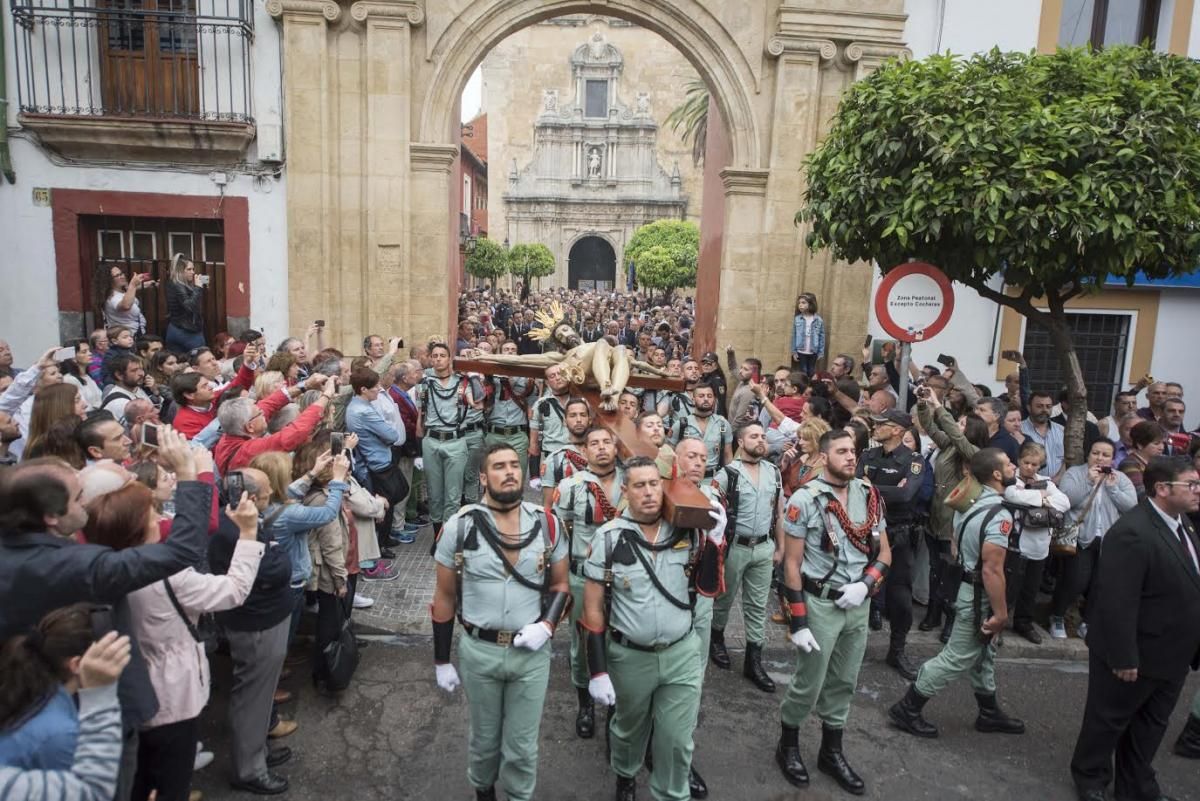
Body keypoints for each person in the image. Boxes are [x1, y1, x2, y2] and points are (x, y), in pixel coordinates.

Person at [82, 472, 264, 801]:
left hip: (131, 685)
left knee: (142, 769)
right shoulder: (168, 576)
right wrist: (249, 534)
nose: (161, 518)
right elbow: (233, 590)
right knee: (169, 774)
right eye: (153, 514)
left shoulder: (101, 567)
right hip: (172, 692)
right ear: (139, 530)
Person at [430, 444, 571, 801]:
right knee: (484, 739)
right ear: (482, 477)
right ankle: (483, 792)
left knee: (522, 747)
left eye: (514, 465)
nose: (509, 471)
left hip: (530, 655)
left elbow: (560, 587)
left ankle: (519, 796)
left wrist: (547, 627)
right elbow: (444, 597)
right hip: (480, 652)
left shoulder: (547, 524)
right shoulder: (458, 528)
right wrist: (442, 660)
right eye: (498, 466)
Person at [582, 457, 725, 801]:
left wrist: (716, 542)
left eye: (654, 484)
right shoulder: (609, 538)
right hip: (630, 657)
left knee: (677, 739)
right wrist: (598, 671)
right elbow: (592, 610)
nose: (648, 492)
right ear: (625, 491)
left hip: (681, 653)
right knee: (629, 730)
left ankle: (673, 793)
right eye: (639, 485)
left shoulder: (688, 531)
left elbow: (706, 588)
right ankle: (626, 775)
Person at [1070, 456, 1200, 801]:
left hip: (1171, 654)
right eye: (1191, 485)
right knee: (1108, 720)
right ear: (1162, 489)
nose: (1198, 491)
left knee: (1151, 725)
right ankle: (1090, 778)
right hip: (1134, 653)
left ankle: (1136, 785)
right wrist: (1124, 656)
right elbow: (1117, 601)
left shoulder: (1182, 522)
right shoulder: (1132, 532)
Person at [775, 429, 891, 795]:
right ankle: (788, 744)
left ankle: (831, 751)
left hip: (857, 601)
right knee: (810, 680)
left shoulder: (869, 495)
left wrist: (866, 584)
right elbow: (791, 565)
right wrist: (799, 621)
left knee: (845, 680)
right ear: (824, 457)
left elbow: (885, 553)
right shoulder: (805, 499)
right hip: (820, 603)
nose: (850, 457)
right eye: (841, 451)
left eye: (853, 451)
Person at [888, 448, 1025, 740]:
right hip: (978, 596)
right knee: (956, 657)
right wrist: (1001, 614)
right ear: (997, 474)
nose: (1014, 465)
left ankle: (988, 712)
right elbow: (992, 570)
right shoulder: (998, 514)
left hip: (967, 588)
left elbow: (954, 544)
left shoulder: (970, 505)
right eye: (1009, 463)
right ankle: (907, 708)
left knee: (984, 654)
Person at [206, 467, 298, 795]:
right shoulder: (233, 531)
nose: (271, 494)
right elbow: (274, 569)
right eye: (265, 492)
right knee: (254, 697)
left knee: (260, 692)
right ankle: (249, 768)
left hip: (265, 618)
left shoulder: (239, 520)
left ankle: (257, 750)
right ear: (248, 497)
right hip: (256, 624)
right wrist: (278, 557)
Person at [0, 628, 130, 801]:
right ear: (76, 664)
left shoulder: (27, 698)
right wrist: (100, 693)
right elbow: (88, 794)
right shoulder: (61, 733)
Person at [553, 425, 624, 740]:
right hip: (583, 578)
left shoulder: (633, 482)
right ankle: (585, 704)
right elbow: (557, 536)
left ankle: (616, 704)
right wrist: (560, 582)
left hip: (624, 581)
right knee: (582, 644)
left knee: (620, 644)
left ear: (616, 446)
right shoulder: (570, 486)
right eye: (593, 443)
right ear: (585, 451)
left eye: (606, 442)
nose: (601, 448)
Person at [708, 421, 783, 693]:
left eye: (763, 436)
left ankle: (754, 659)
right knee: (723, 599)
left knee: (757, 604)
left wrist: (780, 548)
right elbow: (713, 512)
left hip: (763, 547)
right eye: (754, 436)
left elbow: (780, 513)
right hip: (735, 547)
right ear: (741, 442)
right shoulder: (728, 474)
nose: (761, 440)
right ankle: (716, 640)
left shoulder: (774, 472)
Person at [857, 409, 925, 680]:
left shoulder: (913, 460)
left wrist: (870, 487)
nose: (877, 426)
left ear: (897, 430)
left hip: (899, 534)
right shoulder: (867, 455)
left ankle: (897, 650)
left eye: (883, 424)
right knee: (860, 588)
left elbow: (906, 493)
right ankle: (852, 645)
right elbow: (854, 487)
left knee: (900, 598)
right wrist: (885, 489)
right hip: (866, 531)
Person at [916, 386, 989, 642]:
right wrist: (925, 405)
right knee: (936, 569)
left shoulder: (974, 454)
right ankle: (934, 613)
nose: (957, 426)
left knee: (952, 573)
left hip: (954, 522)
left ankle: (950, 619)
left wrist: (940, 406)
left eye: (962, 423)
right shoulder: (948, 446)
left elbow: (958, 437)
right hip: (936, 515)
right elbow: (932, 428)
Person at [1049, 439, 1138, 641]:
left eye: (1105, 455)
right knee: (1076, 580)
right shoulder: (1075, 473)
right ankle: (1057, 617)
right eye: (1096, 453)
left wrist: (1113, 488)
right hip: (1080, 538)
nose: (1100, 458)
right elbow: (1066, 500)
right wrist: (1088, 482)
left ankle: (1088, 622)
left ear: (1113, 459)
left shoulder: (1120, 478)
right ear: (1088, 455)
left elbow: (1131, 507)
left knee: (1102, 583)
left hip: (1109, 539)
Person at [1001, 441, 1070, 644]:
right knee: (1009, 588)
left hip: (1040, 546)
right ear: (1019, 460)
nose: (1030, 468)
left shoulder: (1046, 482)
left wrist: (1039, 498)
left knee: (1030, 590)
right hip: (1016, 544)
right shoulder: (1012, 480)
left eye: (1035, 464)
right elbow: (1012, 495)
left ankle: (1024, 623)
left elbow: (1064, 502)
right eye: (1026, 462)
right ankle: (999, 623)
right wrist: (1043, 498)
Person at [213, 375, 335, 474]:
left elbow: (268, 404)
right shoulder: (248, 451)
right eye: (259, 414)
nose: (263, 412)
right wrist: (326, 395)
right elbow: (295, 433)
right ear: (250, 427)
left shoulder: (233, 432)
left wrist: (306, 385)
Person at [417, 342, 478, 537]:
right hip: (432, 440)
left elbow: (477, 402)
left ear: (449, 359)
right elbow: (421, 413)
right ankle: (437, 535)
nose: (438, 359)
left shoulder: (462, 383)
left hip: (455, 440)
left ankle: (448, 536)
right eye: (434, 356)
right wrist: (420, 444)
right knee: (435, 494)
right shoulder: (425, 383)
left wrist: (474, 373)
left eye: (442, 355)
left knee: (453, 494)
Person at [346, 366, 408, 550]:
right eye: (375, 386)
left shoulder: (359, 406)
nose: (379, 389)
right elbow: (391, 435)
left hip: (376, 460)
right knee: (386, 502)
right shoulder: (364, 411)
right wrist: (389, 430)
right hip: (378, 463)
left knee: (393, 496)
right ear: (363, 389)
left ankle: (383, 540)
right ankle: (380, 545)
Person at [484, 344, 534, 480]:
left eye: (513, 349)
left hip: (517, 434)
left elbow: (533, 402)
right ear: (500, 352)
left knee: (517, 477)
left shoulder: (528, 378)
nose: (510, 352)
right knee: (493, 478)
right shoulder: (489, 375)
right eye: (506, 349)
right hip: (495, 433)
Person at [670, 384, 732, 477]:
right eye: (701, 396)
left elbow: (727, 456)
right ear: (693, 400)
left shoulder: (723, 424)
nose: (706, 399)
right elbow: (670, 454)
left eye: (709, 396)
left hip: (714, 479)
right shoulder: (681, 425)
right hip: (686, 478)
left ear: (714, 399)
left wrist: (728, 479)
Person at [540, 397, 591, 507]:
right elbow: (548, 507)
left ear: (589, 419)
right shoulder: (554, 461)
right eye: (573, 415)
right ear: (564, 421)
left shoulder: (601, 453)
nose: (578, 420)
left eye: (583, 415)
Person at [528, 363, 572, 489]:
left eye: (561, 373)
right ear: (547, 382)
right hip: (552, 460)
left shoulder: (581, 401)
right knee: (551, 504)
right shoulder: (541, 405)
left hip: (577, 460)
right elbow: (534, 442)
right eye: (552, 376)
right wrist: (534, 475)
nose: (558, 378)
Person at [164, 254, 206, 353]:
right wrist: (198, 288)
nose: (193, 272)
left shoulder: (173, 283)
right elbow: (189, 306)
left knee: (177, 364)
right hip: (188, 332)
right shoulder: (178, 286)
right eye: (189, 269)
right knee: (200, 361)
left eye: (193, 269)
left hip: (174, 328)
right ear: (180, 271)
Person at [1022, 391, 1066, 481]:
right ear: (1029, 408)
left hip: (1058, 485)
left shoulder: (1062, 430)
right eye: (1039, 406)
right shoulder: (1019, 430)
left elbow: (1066, 460)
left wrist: (1057, 479)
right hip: (1028, 485)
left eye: (1048, 407)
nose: (1044, 410)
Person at [1119, 420, 1166, 500]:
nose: (1162, 447)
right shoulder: (1129, 464)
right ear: (1140, 445)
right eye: (1156, 443)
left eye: (1163, 443)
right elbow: (1141, 493)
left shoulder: (1162, 462)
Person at [97, 264, 148, 336]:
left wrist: (153, 283)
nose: (122, 277)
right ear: (109, 280)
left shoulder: (122, 291)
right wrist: (132, 285)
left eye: (121, 273)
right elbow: (126, 305)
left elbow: (131, 291)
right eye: (117, 276)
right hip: (126, 338)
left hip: (136, 333)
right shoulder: (112, 297)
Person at [99, 355, 151, 424]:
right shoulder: (120, 403)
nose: (141, 374)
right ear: (119, 375)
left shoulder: (136, 389)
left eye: (141, 369)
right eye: (134, 370)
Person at [791, 292, 825, 375]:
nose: (800, 305)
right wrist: (794, 351)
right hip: (801, 350)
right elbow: (794, 335)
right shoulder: (798, 319)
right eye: (799, 303)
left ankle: (810, 385)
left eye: (803, 303)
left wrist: (821, 352)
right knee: (803, 370)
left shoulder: (818, 320)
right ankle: (804, 385)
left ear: (811, 304)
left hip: (813, 350)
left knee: (811, 370)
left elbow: (822, 336)